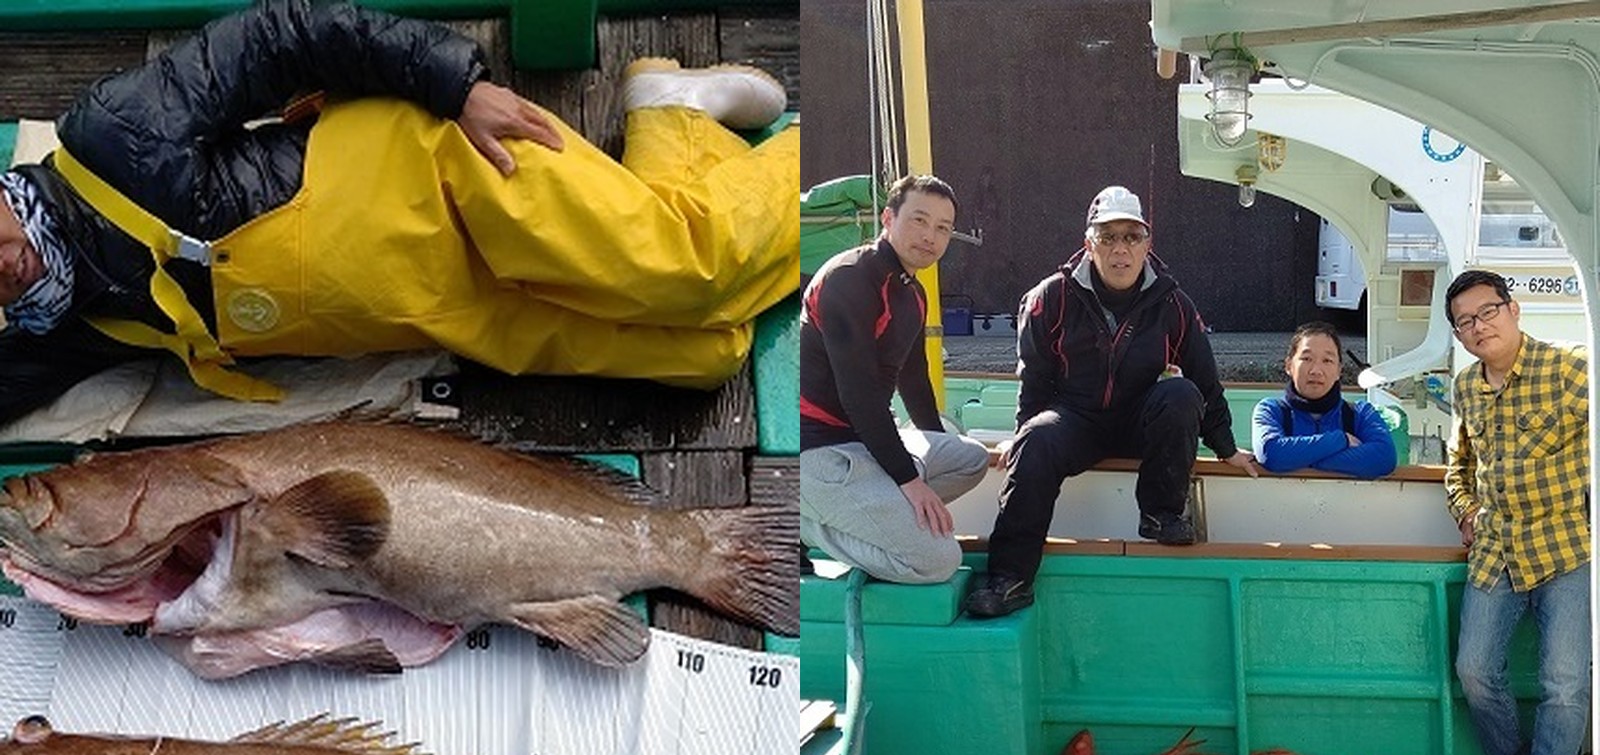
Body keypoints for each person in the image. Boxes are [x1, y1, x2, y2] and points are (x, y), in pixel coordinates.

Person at [0, 0, 799, 424]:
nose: (1, 268)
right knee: (705, 352)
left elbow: (280, 36)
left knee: (696, 268)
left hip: (452, 179)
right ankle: (672, 114)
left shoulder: (111, 134)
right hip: (453, 308)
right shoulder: (67, 324)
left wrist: (456, 85)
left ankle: (848, 173)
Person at [964, 185, 1257, 618]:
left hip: (1141, 420)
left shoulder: (1173, 304)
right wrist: (1023, 433)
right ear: (1089, 244)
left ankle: (1161, 514)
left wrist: (1226, 447)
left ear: (1147, 244)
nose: (1121, 249)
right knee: (1037, 440)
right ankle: (1011, 579)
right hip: (1075, 420)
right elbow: (1035, 378)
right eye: (1108, 237)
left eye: (1132, 237)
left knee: (1180, 394)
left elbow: (1204, 379)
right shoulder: (1049, 299)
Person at [1443, 269, 1590, 755]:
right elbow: (1458, 465)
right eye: (1466, 322)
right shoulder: (1465, 387)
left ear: (1514, 309)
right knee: (1474, 671)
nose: (1480, 327)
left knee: (1566, 683)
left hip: (1565, 546)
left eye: (1488, 311)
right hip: (1496, 549)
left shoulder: (1571, 370)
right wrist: (1466, 509)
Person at [799, 174, 989, 584]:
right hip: (816, 449)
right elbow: (860, 396)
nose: (930, 236)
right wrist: (909, 480)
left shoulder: (913, 293)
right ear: (888, 218)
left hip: (861, 441)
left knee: (971, 458)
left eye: (942, 228)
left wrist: (934, 444)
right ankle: (799, 521)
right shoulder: (848, 279)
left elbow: (914, 380)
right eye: (919, 220)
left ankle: (870, 514)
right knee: (937, 561)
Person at [1252, 321, 1397, 477]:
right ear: (1289, 366)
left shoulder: (1361, 413)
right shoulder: (1271, 410)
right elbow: (1271, 454)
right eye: (1307, 359)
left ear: (1338, 371)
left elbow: (1384, 457)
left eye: (1327, 361)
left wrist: (1303, 459)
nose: (1316, 370)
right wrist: (1341, 440)